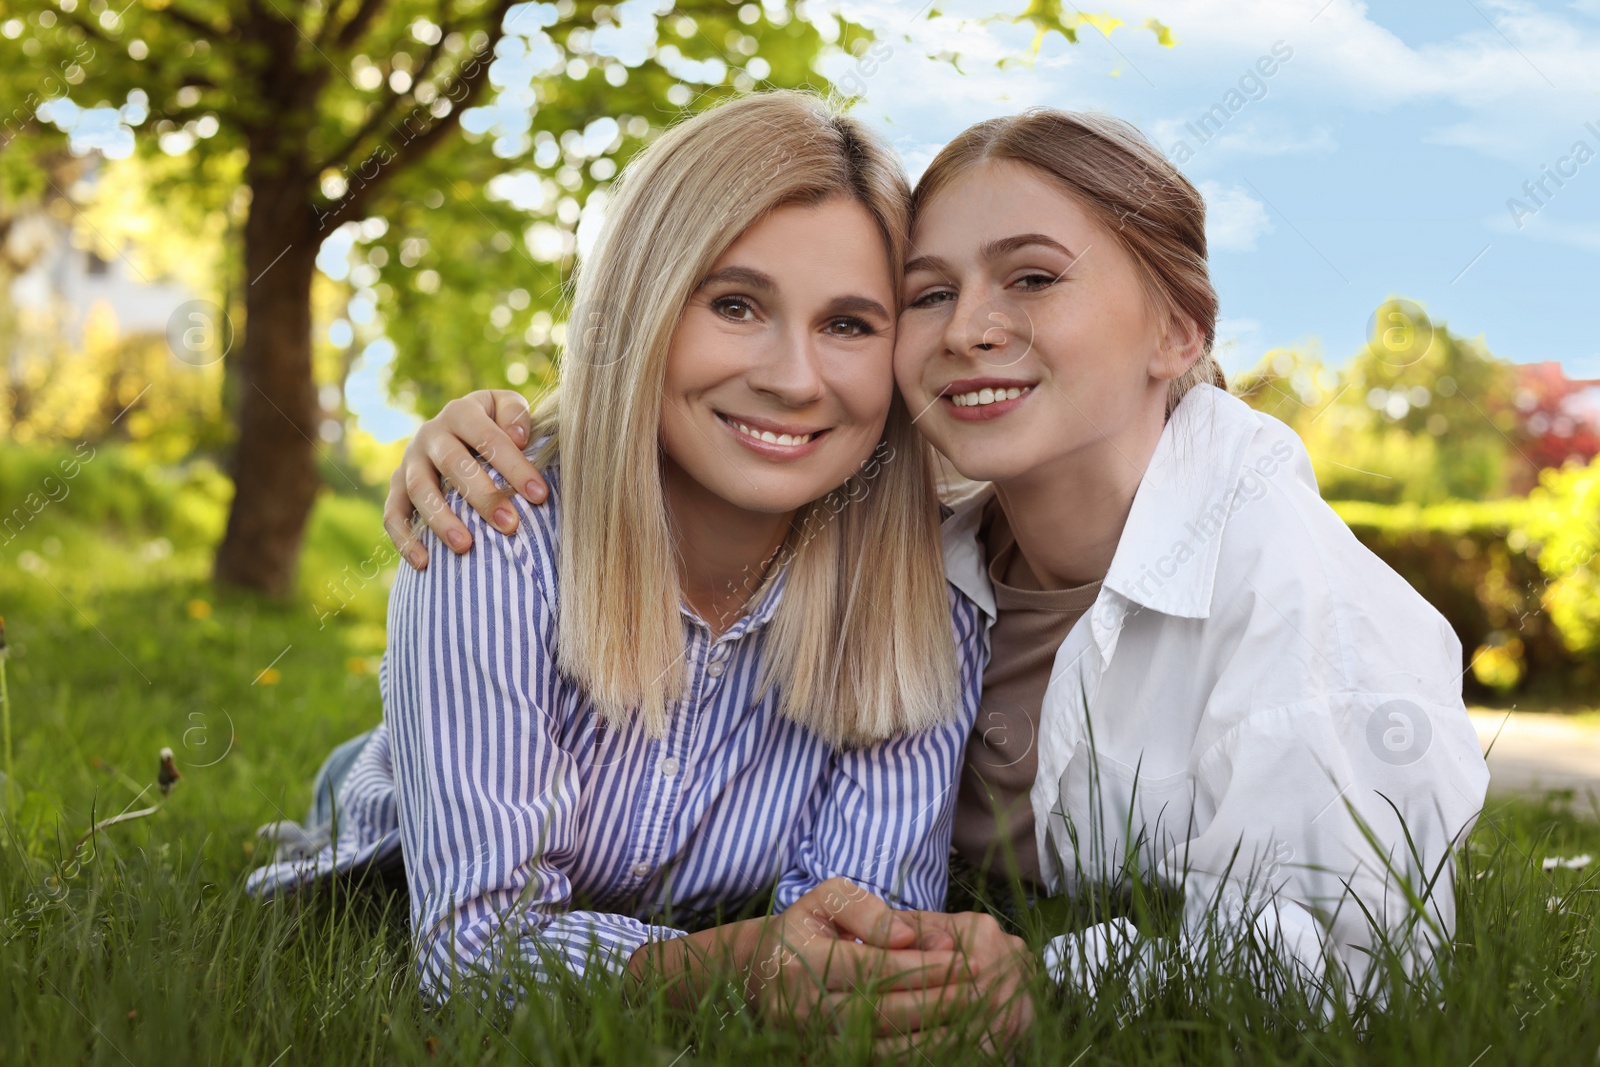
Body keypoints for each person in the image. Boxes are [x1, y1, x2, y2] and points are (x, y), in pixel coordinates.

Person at [393, 105, 1489, 1024]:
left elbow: (1357, 947)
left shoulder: (1275, 585)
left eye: (1031, 279)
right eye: (928, 294)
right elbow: (475, 937)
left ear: (1178, 332)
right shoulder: (936, 536)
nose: (968, 329)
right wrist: (507, 421)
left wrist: (1025, 976)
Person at [248, 91, 1000, 1039]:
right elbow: (471, 951)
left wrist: (850, 968)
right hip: (406, 812)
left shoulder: (926, 599)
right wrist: (737, 963)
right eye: (735, 304)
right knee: (366, 796)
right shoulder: (495, 530)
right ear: (640, 306)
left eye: (849, 324)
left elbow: (861, 936)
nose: (794, 377)